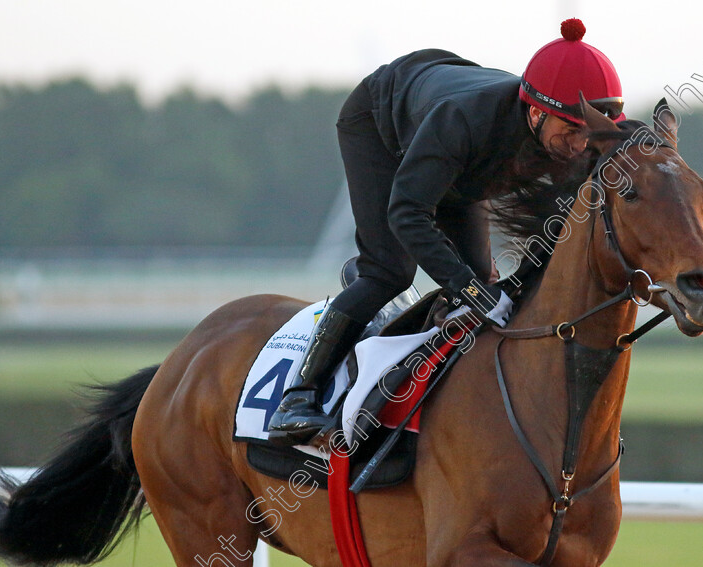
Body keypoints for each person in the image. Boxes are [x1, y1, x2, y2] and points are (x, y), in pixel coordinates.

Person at [268, 18, 626, 446]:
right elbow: (407, 214)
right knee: (391, 273)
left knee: (483, 282)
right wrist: (469, 290)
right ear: (535, 112)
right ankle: (296, 399)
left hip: (463, 163)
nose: (580, 146)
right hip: (382, 127)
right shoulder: (463, 122)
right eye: (571, 131)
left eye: (590, 134)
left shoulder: (568, 131)